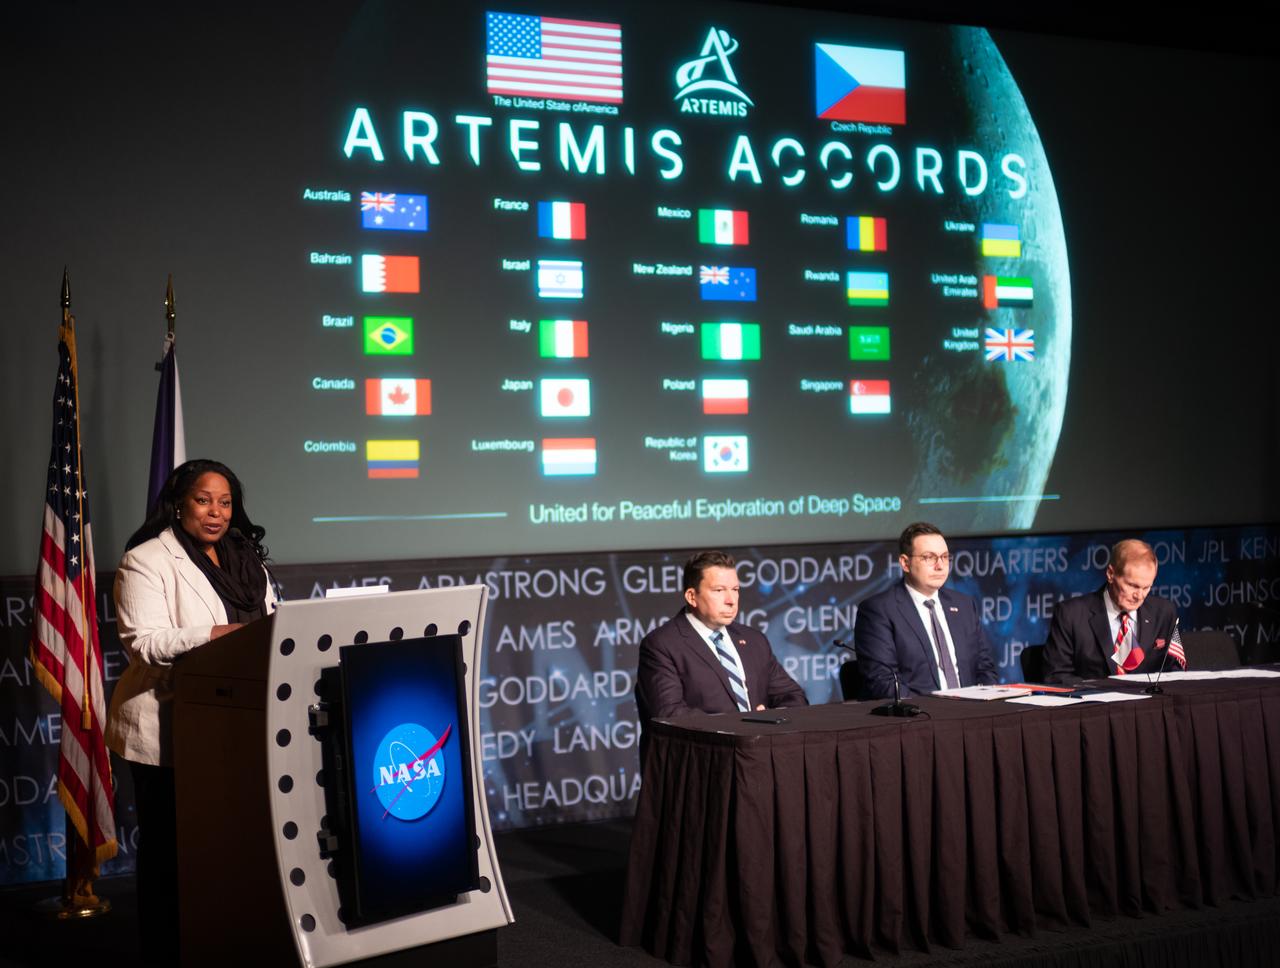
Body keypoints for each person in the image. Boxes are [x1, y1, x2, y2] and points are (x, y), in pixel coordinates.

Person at [105, 459, 277, 964]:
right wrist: (219, 635)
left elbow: (269, 626)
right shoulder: (146, 560)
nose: (216, 512)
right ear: (179, 503)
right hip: (169, 725)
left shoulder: (248, 561)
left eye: (225, 502)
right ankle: (166, 951)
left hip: (240, 723)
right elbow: (145, 643)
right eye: (204, 500)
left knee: (231, 850)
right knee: (172, 854)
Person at [635, 551, 806, 750]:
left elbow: (794, 697)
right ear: (692, 596)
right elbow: (670, 714)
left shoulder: (753, 640)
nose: (731, 600)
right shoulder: (662, 644)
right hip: (703, 762)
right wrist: (741, 725)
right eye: (719, 590)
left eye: (735, 589)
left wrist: (773, 718)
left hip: (760, 757)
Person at [855, 522, 998, 698]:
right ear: (905, 563)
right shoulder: (879, 610)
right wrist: (935, 712)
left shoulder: (964, 605)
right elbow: (883, 682)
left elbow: (985, 669)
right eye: (929, 557)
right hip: (918, 719)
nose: (940, 566)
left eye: (945, 557)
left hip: (969, 716)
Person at [1042, 538, 1180, 685]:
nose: (1139, 596)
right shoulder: (1071, 615)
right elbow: (1056, 676)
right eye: (1132, 585)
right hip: (1094, 705)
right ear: (1110, 573)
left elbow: (1175, 672)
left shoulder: (1164, 612)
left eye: (1146, 588)